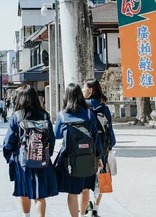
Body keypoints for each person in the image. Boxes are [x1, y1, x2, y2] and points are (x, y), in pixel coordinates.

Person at [3, 85, 58, 217]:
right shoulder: (44, 115)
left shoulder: (17, 116)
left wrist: (8, 156)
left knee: (24, 191)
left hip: (23, 160)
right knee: (39, 195)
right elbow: (51, 138)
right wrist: (46, 154)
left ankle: (26, 215)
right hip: (41, 158)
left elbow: (9, 141)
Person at [54, 83, 103, 217]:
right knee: (85, 189)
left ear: (66, 97)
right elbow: (95, 136)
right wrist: (98, 156)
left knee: (72, 192)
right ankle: (82, 215)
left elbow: (57, 134)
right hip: (88, 157)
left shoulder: (62, 115)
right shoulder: (88, 113)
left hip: (69, 159)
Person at [82, 79, 116, 217]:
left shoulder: (83, 107)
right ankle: (95, 208)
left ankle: (83, 208)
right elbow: (110, 130)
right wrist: (110, 145)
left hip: (86, 149)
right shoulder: (104, 108)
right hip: (103, 148)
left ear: (90, 90)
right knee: (101, 178)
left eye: (84, 87)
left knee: (84, 181)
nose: (82, 90)